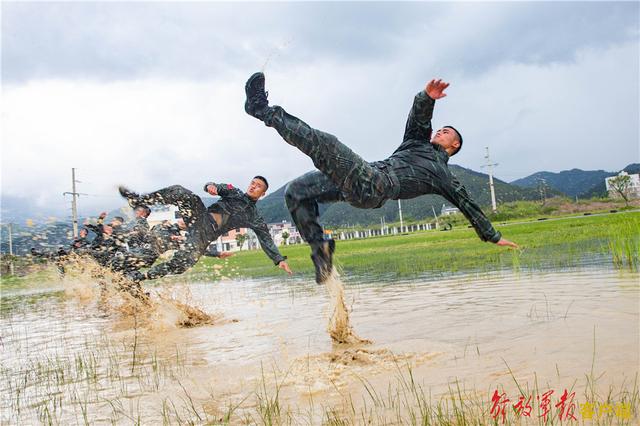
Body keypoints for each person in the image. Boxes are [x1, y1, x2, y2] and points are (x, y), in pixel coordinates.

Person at [244, 72, 518, 283]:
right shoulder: (416, 143)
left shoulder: (443, 175)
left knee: (323, 143)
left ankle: (260, 109)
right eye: (440, 129)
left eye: (446, 132)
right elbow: (419, 119)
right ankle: (321, 251)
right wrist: (427, 97)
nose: (439, 132)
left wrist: (492, 235)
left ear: (454, 146)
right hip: (365, 177)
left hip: (376, 186)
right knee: (296, 192)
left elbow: (466, 203)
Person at [118, 176, 292, 281]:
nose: (253, 186)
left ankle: (137, 277)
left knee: (183, 263)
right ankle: (139, 200)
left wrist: (278, 259)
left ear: (263, 194)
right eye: (253, 183)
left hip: (204, 236)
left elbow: (266, 239)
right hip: (199, 217)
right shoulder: (235, 192)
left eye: (258, 186)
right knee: (181, 193)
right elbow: (215, 185)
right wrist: (211, 187)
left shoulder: (255, 218)